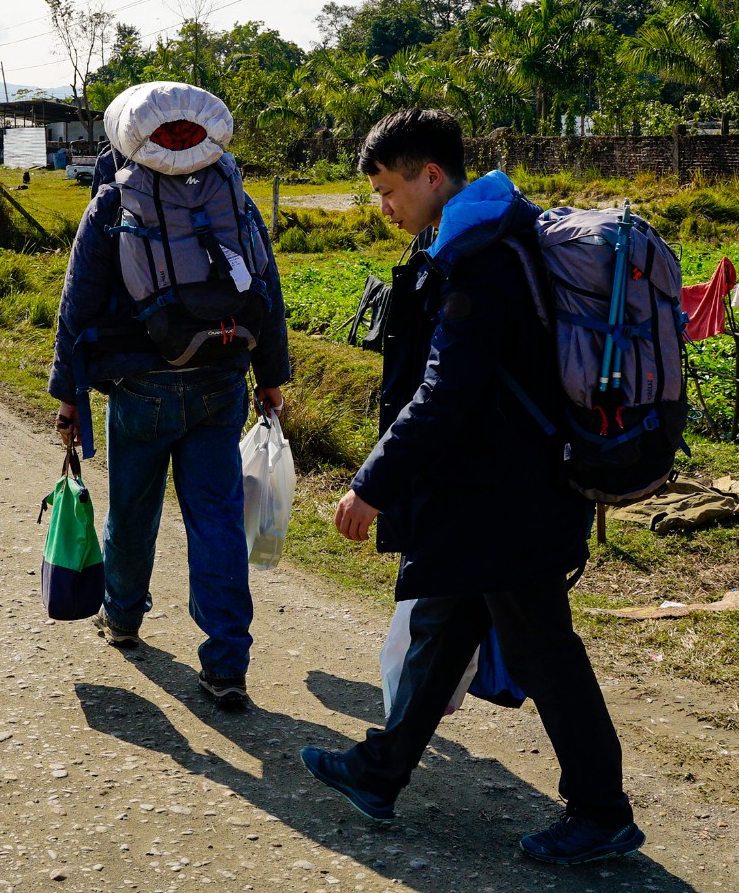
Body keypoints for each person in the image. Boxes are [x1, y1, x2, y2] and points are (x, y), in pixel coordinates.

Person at [299, 108, 642, 867]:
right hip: (497, 489)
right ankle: (380, 771)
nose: (384, 207)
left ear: (430, 176)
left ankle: (602, 812)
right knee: (447, 623)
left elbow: (444, 390)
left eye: (388, 189)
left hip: (511, 498)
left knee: (544, 650)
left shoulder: (481, 258)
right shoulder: (494, 234)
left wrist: (372, 484)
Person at [49, 81, 288, 708]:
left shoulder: (112, 201)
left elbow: (77, 307)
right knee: (216, 520)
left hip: (141, 384)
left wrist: (69, 397)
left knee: (133, 509)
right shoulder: (231, 194)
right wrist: (270, 378)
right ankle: (227, 662)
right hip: (221, 379)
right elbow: (268, 288)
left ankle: (123, 617)